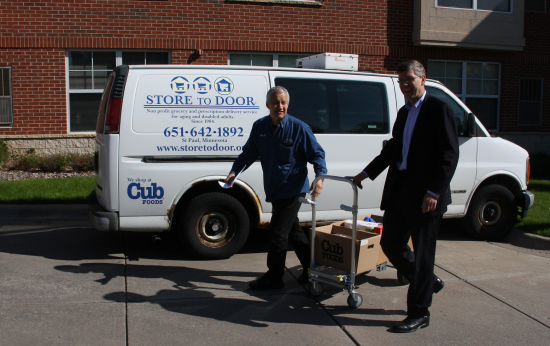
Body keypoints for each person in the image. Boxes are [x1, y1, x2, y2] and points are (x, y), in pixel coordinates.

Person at [350, 60, 459, 333]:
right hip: (401, 191)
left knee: (423, 256)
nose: (405, 85)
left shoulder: (439, 109)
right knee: (390, 243)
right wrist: (364, 173)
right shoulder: (403, 112)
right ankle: (428, 282)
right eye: (401, 81)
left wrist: (435, 191)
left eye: (409, 79)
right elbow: (392, 151)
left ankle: (419, 312)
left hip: (426, 196)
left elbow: (449, 155)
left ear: (423, 79)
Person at [225, 86, 327, 291]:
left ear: (287, 104)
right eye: (275, 102)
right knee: (294, 230)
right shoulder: (260, 127)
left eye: (283, 102)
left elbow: (317, 155)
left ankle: (275, 277)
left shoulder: (299, 128)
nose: (280, 106)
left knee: (278, 232)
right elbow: (248, 154)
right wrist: (234, 172)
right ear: (268, 104)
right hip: (274, 187)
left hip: (293, 188)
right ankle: (312, 269)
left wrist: (320, 178)